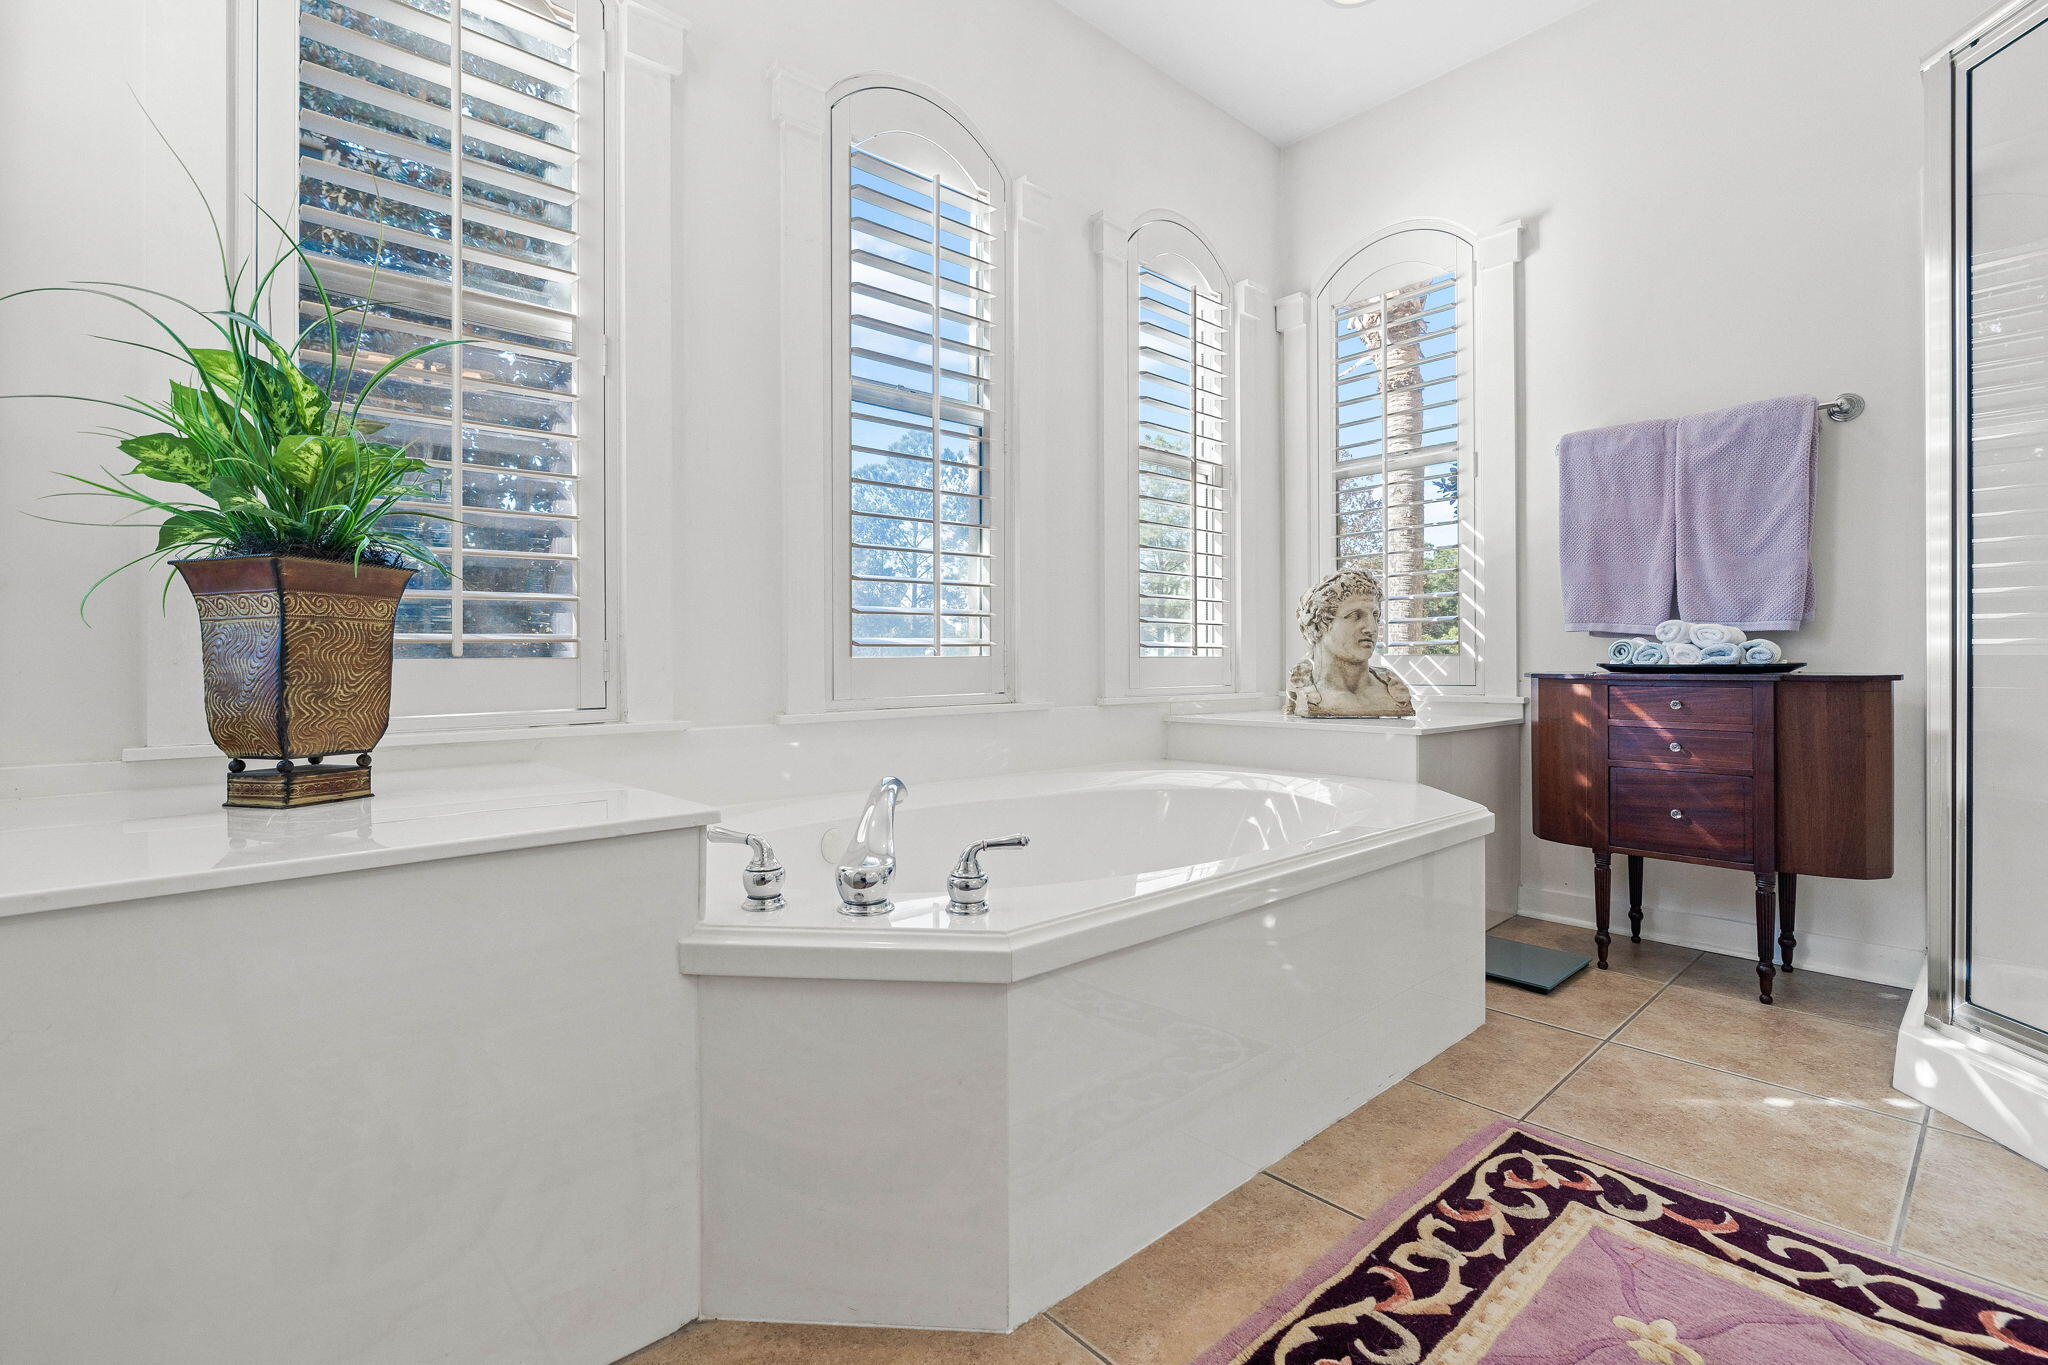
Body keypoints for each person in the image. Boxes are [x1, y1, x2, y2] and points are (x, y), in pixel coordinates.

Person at [1285, 566, 1415, 718]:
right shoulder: (1304, 688)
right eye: (1355, 615)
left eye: (1375, 615)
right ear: (1320, 625)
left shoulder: (1393, 691)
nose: (1371, 628)